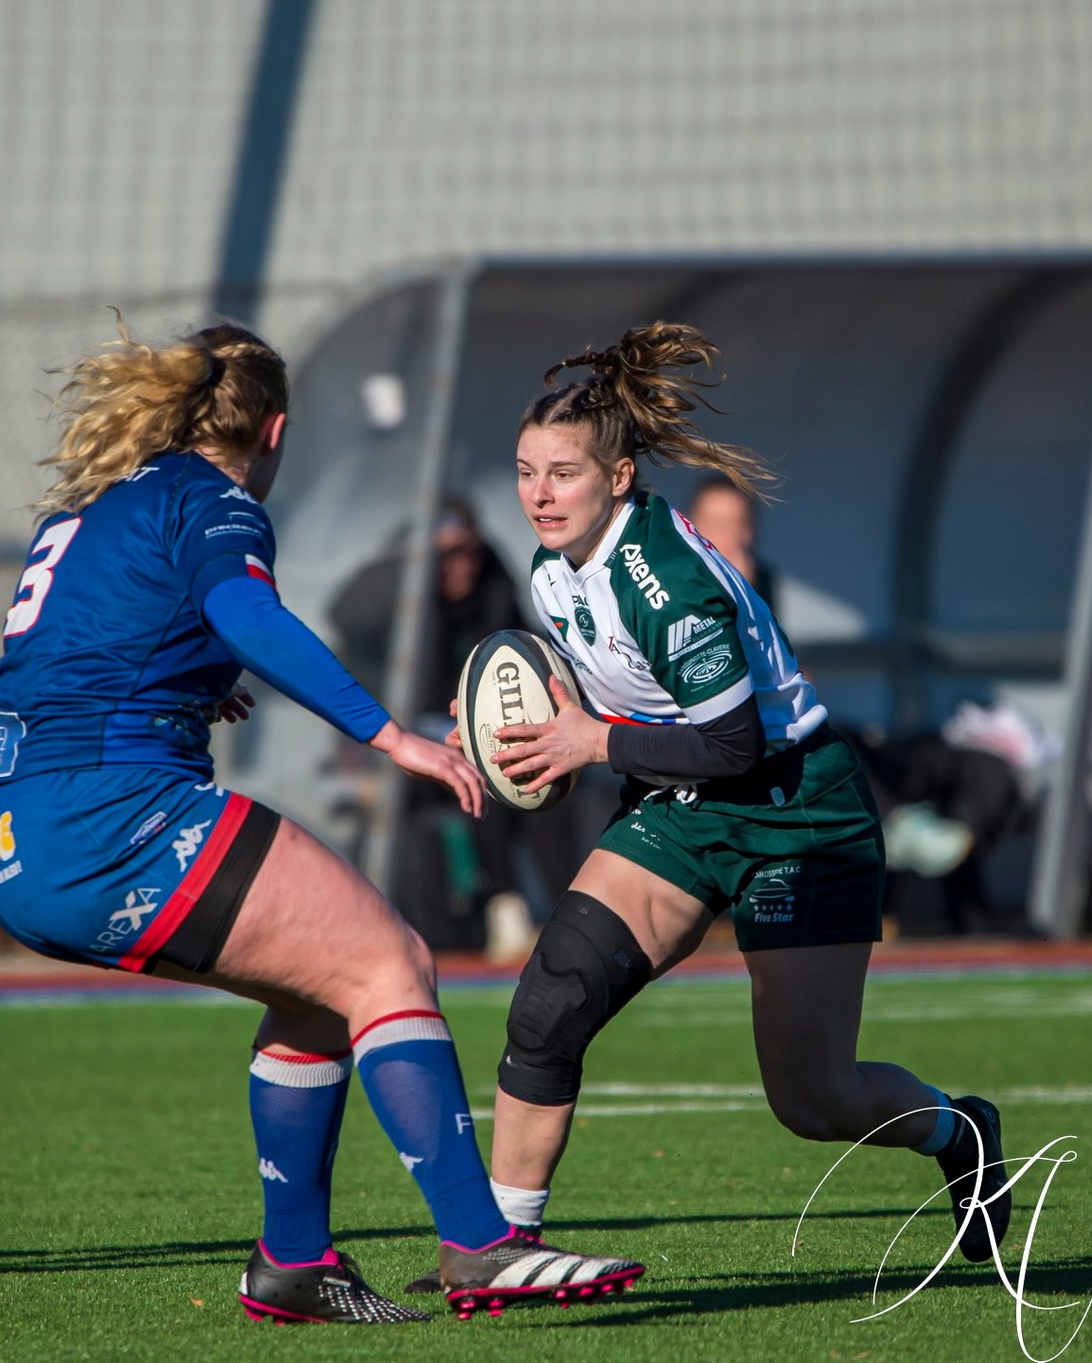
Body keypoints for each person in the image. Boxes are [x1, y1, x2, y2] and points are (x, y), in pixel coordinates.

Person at [0, 319, 644, 1324]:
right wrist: (389, 735)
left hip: (11, 833)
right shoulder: (216, 499)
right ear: (272, 429)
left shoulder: (99, 501)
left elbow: (83, 649)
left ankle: (292, 1262)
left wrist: (193, 685)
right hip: (109, 814)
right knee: (387, 961)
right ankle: (479, 1245)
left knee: (321, 992)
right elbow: (245, 615)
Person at [429, 322, 1010, 1275]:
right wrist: (513, 730)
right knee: (549, 1002)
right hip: (681, 806)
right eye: (527, 470)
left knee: (813, 1100)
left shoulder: (667, 581)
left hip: (797, 812)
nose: (538, 492)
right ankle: (500, 1245)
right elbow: (603, 696)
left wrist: (590, 741)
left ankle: (959, 1131)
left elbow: (736, 741)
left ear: (617, 479)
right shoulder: (549, 569)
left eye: (563, 472)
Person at [329, 496, 581, 957]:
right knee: (481, 777)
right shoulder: (395, 609)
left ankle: (572, 915)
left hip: (479, 744)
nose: (459, 567)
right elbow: (342, 613)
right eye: (445, 557)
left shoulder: (494, 590)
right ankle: (502, 906)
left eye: (467, 553)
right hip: (407, 752)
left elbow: (531, 661)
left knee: (541, 777)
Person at [685, 473, 779, 609]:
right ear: (689, 525)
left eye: (740, 524)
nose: (728, 536)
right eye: (716, 524)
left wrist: (746, 590)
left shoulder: (759, 579)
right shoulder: (670, 574)